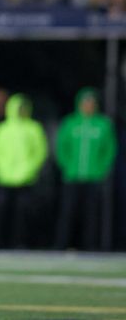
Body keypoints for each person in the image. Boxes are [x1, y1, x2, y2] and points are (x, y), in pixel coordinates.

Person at [54, 88, 117, 250]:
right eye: (85, 103)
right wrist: (67, 166)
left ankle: (90, 246)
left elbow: (109, 149)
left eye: (91, 103)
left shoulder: (103, 124)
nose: (88, 106)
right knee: (68, 212)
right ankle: (63, 245)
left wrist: (102, 169)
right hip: (72, 175)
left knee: (91, 214)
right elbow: (62, 147)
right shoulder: (70, 123)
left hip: (94, 175)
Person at [0, 93, 48, 248]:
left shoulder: (34, 128)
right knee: (1, 212)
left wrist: (30, 169)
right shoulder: (2, 128)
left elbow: (40, 151)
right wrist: (0, 168)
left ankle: (21, 242)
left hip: (26, 178)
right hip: (4, 177)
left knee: (23, 214)